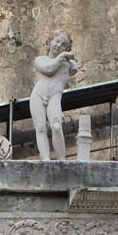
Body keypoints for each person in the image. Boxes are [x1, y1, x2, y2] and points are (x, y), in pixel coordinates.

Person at [29, 30, 78, 161]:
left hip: (54, 96)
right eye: (56, 41)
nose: (58, 45)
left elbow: (73, 69)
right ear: (50, 42)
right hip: (38, 95)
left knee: (56, 126)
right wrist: (63, 56)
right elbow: (49, 69)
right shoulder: (40, 60)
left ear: (67, 48)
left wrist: (66, 59)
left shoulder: (70, 65)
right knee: (40, 129)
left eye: (63, 44)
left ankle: (61, 160)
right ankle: (46, 160)